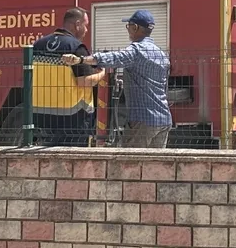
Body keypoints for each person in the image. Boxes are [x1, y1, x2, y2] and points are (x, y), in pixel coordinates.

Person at [62, 9, 171, 148]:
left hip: (143, 121)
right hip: (164, 119)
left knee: (130, 165)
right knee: (156, 166)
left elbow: (113, 58)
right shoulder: (162, 55)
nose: (128, 30)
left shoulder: (137, 50)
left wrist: (81, 60)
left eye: (129, 26)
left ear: (135, 27)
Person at [31, 8, 105, 146]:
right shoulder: (76, 47)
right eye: (85, 25)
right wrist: (102, 73)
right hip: (73, 121)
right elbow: (84, 81)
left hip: (41, 119)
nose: (86, 30)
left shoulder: (37, 45)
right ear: (77, 24)